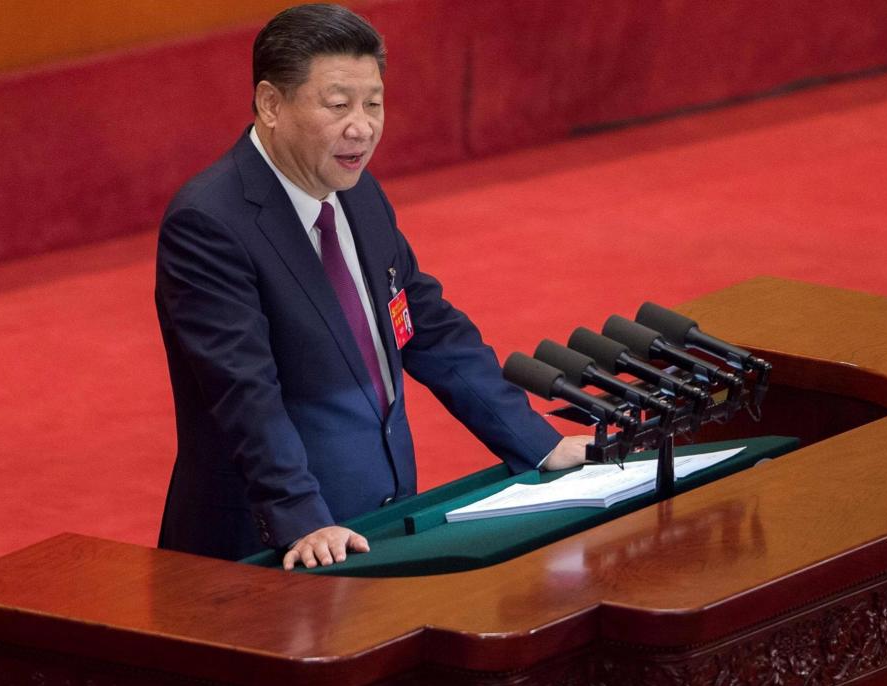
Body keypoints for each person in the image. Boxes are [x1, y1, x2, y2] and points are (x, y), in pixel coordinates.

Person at [155, 3, 587, 570]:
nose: (361, 126)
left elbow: (425, 325)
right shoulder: (210, 223)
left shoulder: (357, 193)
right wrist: (301, 517)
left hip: (380, 524)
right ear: (270, 104)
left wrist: (536, 441)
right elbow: (244, 392)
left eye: (374, 103)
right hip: (272, 547)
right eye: (338, 105)